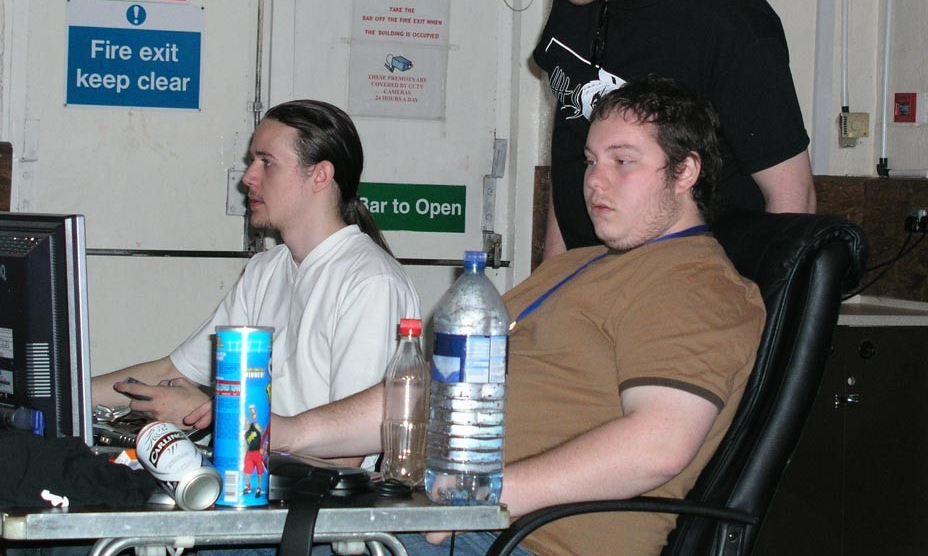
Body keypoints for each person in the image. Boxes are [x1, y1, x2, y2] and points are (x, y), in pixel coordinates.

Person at [270, 77, 765, 556]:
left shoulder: (695, 283)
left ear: (685, 171)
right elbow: (437, 390)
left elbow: (657, 446)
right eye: (591, 160)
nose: (594, 180)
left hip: (521, 540)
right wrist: (291, 432)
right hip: (438, 519)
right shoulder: (577, 265)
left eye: (623, 161)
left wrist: (478, 497)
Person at [522, 0, 816, 260]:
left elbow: (794, 198)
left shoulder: (732, 26)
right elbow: (572, 139)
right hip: (589, 280)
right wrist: (555, 276)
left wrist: (746, 303)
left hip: (680, 286)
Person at [91, 99, 421, 457]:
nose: (248, 177)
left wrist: (217, 415)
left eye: (267, 162)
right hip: (255, 477)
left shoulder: (370, 282)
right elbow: (173, 370)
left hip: (309, 489)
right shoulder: (265, 269)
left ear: (320, 176)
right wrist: (63, 394)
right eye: (252, 161)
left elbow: (348, 454)